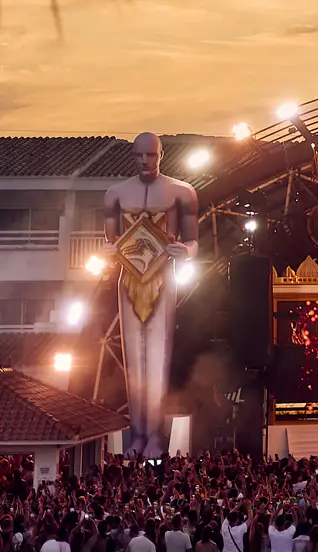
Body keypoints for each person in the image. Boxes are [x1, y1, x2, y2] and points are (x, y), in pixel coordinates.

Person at [104, 134, 199, 459]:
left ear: (161, 154)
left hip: (162, 279)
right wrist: (108, 250)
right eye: (139, 155)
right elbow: (111, 241)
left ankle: (154, 436)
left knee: (157, 359)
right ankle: (138, 436)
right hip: (129, 280)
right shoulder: (115, 194)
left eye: (151, 154)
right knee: (134, 361)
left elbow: (193, 241)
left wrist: (184, 251)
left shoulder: (182, 192)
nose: (145, 161)